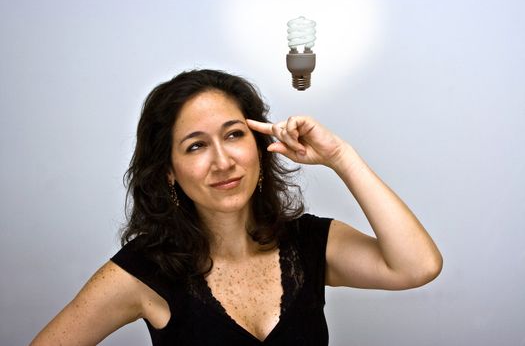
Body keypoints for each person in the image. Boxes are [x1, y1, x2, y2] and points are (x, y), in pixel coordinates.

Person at [30, 69, 442, 345]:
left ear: (259, 147)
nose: (223, 161)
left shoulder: (309, 242)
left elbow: (417, 266)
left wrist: (341, 156)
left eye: (233, 135)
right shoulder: (144, 269)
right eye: (195, 146)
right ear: (169, 171)